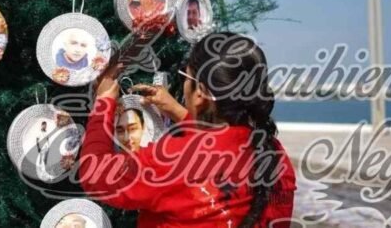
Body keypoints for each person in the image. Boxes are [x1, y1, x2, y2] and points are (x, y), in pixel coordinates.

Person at [79, 32, 297, 227]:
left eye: (186, 75)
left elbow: (95, 173)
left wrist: (104, 101)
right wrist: (178, 112)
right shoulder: (274, 152)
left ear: (200, 91)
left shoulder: (172, 160)